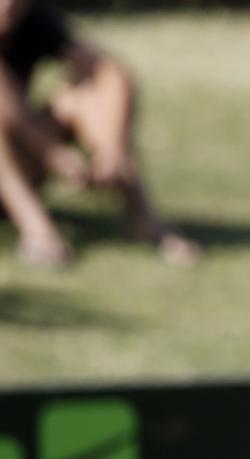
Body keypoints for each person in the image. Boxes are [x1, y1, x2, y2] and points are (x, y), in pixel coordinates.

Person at [0, 0, 199, 267]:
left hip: (23, 157)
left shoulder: (33, 20)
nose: (9, 5)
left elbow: (110, 72)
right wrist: (51, 152)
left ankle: (145, 219)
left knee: (78, 97)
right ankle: (38, 233)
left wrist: (112, 148)